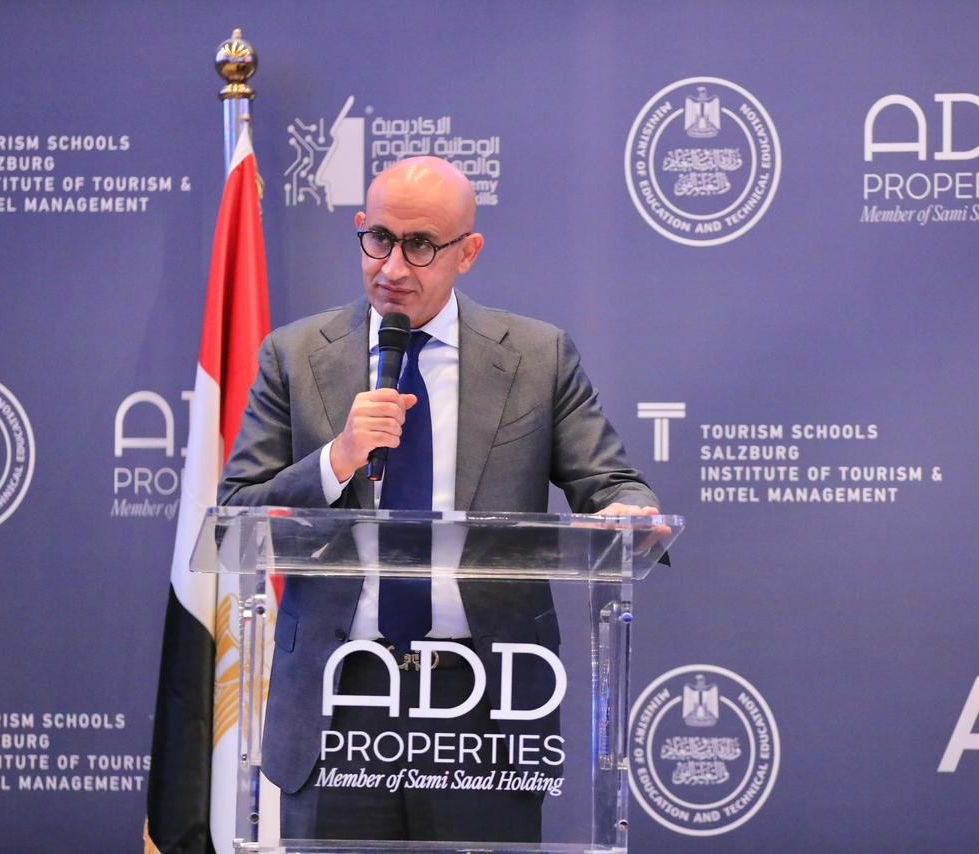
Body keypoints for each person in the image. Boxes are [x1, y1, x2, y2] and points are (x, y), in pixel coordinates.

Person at [218, 156, 659, 841]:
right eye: (379, 239)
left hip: (485, 698)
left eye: (420, 245)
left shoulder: (537, 358)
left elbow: (609, 484)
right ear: (360, 229)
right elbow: (235, 520)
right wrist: (337, 458)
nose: (393, 267)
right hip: (340, 695)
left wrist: (627, 511)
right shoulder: (296, 355)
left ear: (468, 252)